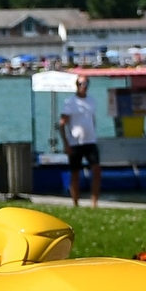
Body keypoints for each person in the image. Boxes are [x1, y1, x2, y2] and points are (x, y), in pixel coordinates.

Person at [57, 77, 102, 208]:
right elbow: (62, 123)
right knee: (75, 173)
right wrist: (65, 143)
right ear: (77, 85)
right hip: (75, 142)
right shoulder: (70, 102)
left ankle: (94, 202)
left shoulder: (91, 101)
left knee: (97, 170)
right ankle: (75, 202)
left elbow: (92, 119)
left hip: (90, 141)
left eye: (86, 83)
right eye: (81, 84)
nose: (84, 86)